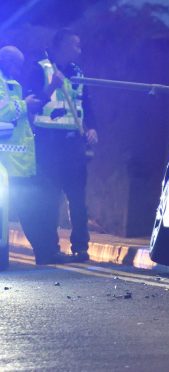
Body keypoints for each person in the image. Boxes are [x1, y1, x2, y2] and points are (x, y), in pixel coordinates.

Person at [24, 29, 98, 263]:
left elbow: (85, 103)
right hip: (48, 144)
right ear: (61, 45)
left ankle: (80, 248)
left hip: (73, 144)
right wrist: (51, 87)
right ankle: (51, 248)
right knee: (49, 198)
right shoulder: (39, 68)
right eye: (75, 45)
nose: (80, 49)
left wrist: (92, 127)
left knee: (78, 198)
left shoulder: (77, 72)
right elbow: (30, 106)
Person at [0, 45, 58, 265]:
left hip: (17, 163)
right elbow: (2, 110)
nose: (18, 70)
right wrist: (25, 105)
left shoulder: (11, 84)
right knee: (29, 210)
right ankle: (45, 253)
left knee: (32, 209)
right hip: (6, 164)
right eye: (16, 65)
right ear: (6, 61)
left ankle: (46, 252)